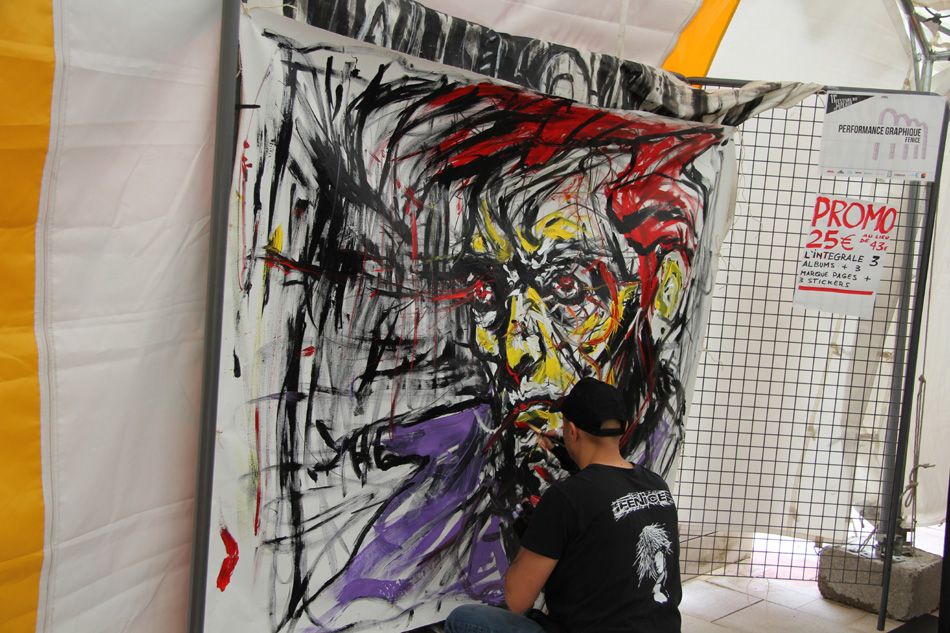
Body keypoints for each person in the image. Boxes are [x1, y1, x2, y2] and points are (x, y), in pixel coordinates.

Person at [445, 377, 682, 633]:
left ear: (573, 432)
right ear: (622, 428)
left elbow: (517, 600)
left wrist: (532, 535)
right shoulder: (657, 486)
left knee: (461, 619)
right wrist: (567, 454)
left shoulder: (566, 499)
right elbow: (606, 498)